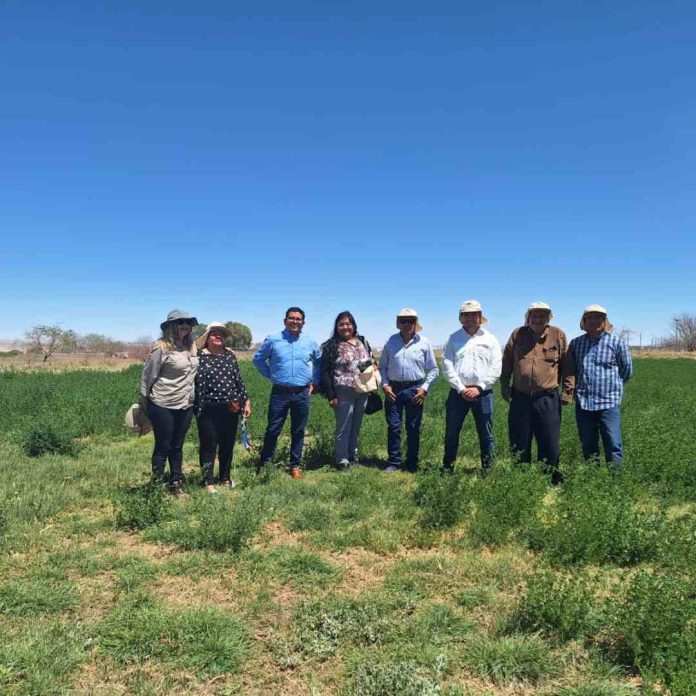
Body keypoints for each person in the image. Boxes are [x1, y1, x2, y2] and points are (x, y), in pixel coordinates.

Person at [500, 302, 574, 483]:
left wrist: (568, 391)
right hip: (520, 396)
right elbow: (507, 361)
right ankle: (521, 479)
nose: (538, 319)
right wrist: (504, 385)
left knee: (549, 440)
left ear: (548, 318)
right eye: (534, 315)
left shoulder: (558, 335)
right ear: (528, 317)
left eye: (542, 316)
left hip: (547, 397)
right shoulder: (518, 334)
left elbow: (567, 365)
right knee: (519, 438)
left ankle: (550, 478)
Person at [252, 307, 322, 479]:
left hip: (302, 393)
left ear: (303, 323)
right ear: (285, 321)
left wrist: (316, 382)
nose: (295, 321)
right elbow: (258, 360)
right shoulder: (273, 340)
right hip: (280, 393)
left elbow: (320, 363)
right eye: (292, 318)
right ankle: (265, 464)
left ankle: (295, 466)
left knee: (298, 431)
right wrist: (272, 375)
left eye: (299, 319)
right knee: (273, 429)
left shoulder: (310, 342)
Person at [140, 309, 199, 492]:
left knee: (177, 445)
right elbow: (148, 376)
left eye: (188, 323)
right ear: (171, 326)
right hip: (163, 403)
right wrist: (144, 404)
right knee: (163, 444)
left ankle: (176, 482)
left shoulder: (191, 346)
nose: (185, 326)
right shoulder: (161, 347)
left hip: (185, 403)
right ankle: (156, 486)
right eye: (180, 322)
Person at [441, 300, 502, 474]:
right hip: (458, 394)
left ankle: (488, 470)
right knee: (452, 432)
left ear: (480, 317)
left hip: (484, 394)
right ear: (460, 318)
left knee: (486, 434)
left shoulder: (490, 339)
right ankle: (447, 468)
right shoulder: (453, 338)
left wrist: (480, 388)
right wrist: (461, 388)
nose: (469, 318)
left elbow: (496, 367)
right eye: (465, 315)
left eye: (473, 314)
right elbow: (447, 364)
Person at [570, 305, 633, 465]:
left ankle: (615, 481)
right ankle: (594, 477)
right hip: (584, 403)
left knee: (613, 443)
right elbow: (572, 370)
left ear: (605, 322)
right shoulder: (576, 344)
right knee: (588, 444)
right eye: (590, 318)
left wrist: (613, 389)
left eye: (599, 318)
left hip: (609, 403)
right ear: (584, 322)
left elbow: (626, 371)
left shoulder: (616, 343)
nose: (594, 321)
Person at [379, 308, 439, 472]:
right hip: (393, 389)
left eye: (410, 321)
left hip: (415, 389)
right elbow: (382, 367)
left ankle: (412, 463)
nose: (407, 324)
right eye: (403, 321)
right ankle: (394, 462)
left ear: (415, 323)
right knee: (394, 426)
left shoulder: (424, 342)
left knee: (413, 427)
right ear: (398, 323)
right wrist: (385, 385)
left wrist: (424, 389)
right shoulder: (390, 342)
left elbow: (434, 369)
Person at [195, 322, 252, 493]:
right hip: (207, 407)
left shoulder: (230, 356)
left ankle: (225, 477)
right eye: (214, 333)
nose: (218, 336)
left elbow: (238, 381)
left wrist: (246, 401)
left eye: (221, 333)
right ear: (207, 337)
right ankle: (208, 481)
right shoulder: (198, 356)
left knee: (227, 444)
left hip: (231, 407)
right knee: (208, 445)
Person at [320, 311, 376, 470]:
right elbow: (324, 371)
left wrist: (372, 367)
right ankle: (342, 459)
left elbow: (369, 361)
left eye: (348, 324)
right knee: (344, 426)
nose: (345, 327)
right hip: (342, 390)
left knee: (356, 425)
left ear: (353, 325)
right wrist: (331, 395)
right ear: (336, 327)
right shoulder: (331, 345)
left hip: (362, 389)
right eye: (341, 324)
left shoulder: (362, 341)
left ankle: (353, 455)